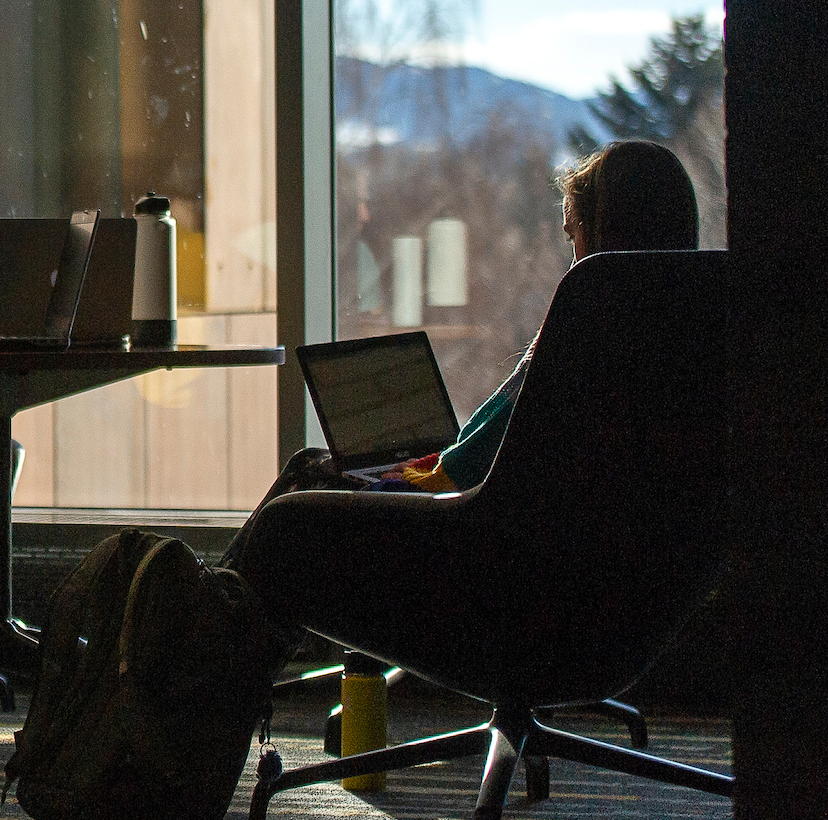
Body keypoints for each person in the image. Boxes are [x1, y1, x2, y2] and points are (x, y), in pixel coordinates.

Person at [224, 137, 702, 567]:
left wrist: (425, 473)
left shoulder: (586, 330)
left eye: (574, 236)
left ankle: (214, 618)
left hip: (476, 545)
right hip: (578, 563)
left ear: (601, 235)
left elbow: (471, 468)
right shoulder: (685, 336)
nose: (572, 257)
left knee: (302, 484)